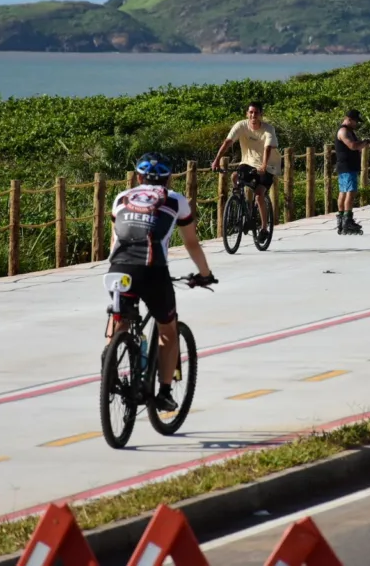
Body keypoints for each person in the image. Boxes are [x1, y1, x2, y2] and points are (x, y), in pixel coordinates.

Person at [105, 152, 217, 411]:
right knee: (168, 330)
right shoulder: (176, 200)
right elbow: (191, 243)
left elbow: (115, 242)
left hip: (118, 268)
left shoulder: (121, 198)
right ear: (168, 180)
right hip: (152, 270)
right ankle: (164, 392)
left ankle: (109, 362)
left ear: (138, 177)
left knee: (118, 319)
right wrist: (205, 274)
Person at [211, 102, 282, 244]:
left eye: (256, 112)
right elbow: (228, 142)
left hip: (269, 166)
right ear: (246, 114)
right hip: (248, 162)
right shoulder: (241, 126)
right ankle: (240, 202)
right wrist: (216, 160)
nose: (253, 115)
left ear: (261, 114)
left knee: (259, 195)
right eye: (251, 112)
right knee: (235, 176)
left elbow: (268, 148)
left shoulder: (268, 129)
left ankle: (263, 228)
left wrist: (263, 166)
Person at [334, 109, 370, 234]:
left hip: (346, 166)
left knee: (344, 192)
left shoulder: (349, 131)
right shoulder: (343, 131)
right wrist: (367, 141)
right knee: (350, 192)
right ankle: (347, 220)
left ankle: (341, 220)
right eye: (355, 121)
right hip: (347, 166)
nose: (356, 124)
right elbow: (353, 146)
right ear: (349, 119)